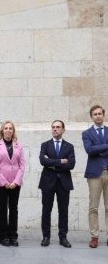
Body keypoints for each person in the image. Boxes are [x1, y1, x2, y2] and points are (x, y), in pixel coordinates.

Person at [39, 120, 75, 248]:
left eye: (58, 127)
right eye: (53, 127)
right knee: (46, 210)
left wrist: (52, 163)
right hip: (47, 182)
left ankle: (63, 237)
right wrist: (61, 161)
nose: (55, 129)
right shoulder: (45, 145)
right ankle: (46, 236)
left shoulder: (69, 146)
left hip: (64, 182)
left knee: (63, 211)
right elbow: (43, 161)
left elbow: (71, 164)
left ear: (63, 130)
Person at [0, 121, 25, 247]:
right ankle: (3, 236)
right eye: (6, 128)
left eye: (11, 128)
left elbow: (22, 165)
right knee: (2, 208)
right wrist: (4, 182)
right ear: (2, 130)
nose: (8, 130)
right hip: (2, 183)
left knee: (14, 209)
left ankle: (13, 235)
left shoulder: (18, 146)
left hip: (16, 183)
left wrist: (16, 181)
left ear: (13, 131)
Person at [82, 105, 108, 248]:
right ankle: (94, 236)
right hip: (94, 174)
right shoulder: (87, 133)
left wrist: (99, 149)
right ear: (92, 116)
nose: (98, 116)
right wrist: (106, 146)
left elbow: (94, 149)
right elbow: (89, 150)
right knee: (93, 207)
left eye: (100, 114)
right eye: (95, 114)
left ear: (103, 115)